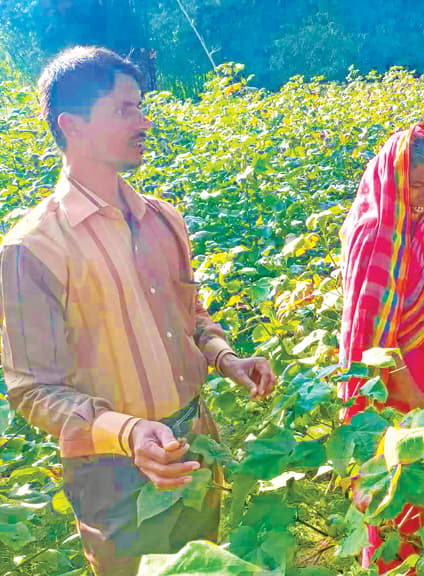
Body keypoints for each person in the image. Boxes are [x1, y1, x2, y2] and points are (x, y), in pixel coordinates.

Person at [0, 46, 277, 575]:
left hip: (195, 442)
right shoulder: (31, 248)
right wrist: (128, 431)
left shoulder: (163, 219)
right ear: (71, 125)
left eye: (141, 106)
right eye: (125, 109)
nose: (144, 121)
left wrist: (226, 359)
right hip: (113, 472)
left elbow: (190, 315)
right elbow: (33, 389)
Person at [338, 122, 424, 570]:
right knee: (402, 493)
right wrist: (421, 407)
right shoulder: (378, 234)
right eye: (415, 184)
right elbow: (376, 342)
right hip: (399, 393)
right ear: (393, 178)